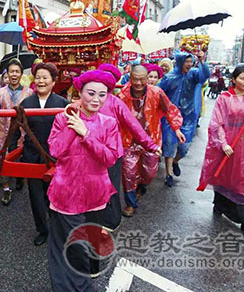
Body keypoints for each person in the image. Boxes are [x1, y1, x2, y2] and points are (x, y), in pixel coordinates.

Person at [47, 70, 122, 291]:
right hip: (65, 194)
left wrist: (86, 134)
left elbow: (109, 158)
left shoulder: (108, 123)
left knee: (86, 246)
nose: (96, 100)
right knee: (69, 247)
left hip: (96, 195)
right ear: (79, 92)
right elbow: (55, 150)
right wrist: (74, 127)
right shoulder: (63, 118)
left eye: (102, 95)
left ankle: (81, 285)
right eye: (91, 93)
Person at [81, 63, 160, 230]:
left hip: (111, 154)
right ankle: (91, 219)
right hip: (89, 153)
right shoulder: (83, 102)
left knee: (111, 188)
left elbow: (133, 125)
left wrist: (150, 144)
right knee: (91, 187)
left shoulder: (115, 102)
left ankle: (111, 221)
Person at [200, 66, 244, 232]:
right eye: (243, 78)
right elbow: (217, 123)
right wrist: (223, 143)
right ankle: (220, 205)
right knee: (225, 175)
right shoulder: (224, 98)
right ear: (234, 79)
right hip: (228, 142)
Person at [9, 62, 68, 246]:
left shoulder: (62, 103)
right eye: (38, 77)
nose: (41, 81)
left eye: (45, 77)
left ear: (53, 81)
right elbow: (16, 127)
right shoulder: (27, 103)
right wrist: (11, 150)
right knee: (35, 195)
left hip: (54, 156)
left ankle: (57, 227)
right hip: (32, 155)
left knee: (54, 194)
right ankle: (42, 230)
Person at [118, 65, 184, 217]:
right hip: (129, 140)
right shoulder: (122, 96)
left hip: (151, 139)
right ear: (130, 78)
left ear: (147, 78)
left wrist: (177, 128)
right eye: (136, 79)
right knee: (128, 173)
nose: (139, 83)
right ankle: (130, 203)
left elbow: (169, 109)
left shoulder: (157, 92)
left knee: (150, 172)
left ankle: (140, 185)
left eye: (142, 79)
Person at [159, 51, 210, 186]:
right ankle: (168, 174)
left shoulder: (193, 74)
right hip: (170, 117)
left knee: (184, 147)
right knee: (169, 144)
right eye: (186, 61)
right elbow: (159, 94)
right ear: (180, 62)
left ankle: (176, 161)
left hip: (188, 116)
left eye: (190, 61)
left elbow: (204, 76)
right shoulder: (169, 78)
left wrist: (202, 62)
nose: (189, 64)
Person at [0, 58, 33, 205]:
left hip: (22, 135)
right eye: (11, 71)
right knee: (4, 160)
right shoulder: (0, 92)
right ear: (7, 74)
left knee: (21, 159)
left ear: (21, 74)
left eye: (17, 71)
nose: (14, 74)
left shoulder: (29, 93)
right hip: (3, 134)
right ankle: (6, 189)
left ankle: (20, 177)